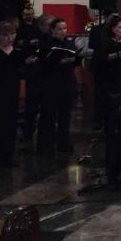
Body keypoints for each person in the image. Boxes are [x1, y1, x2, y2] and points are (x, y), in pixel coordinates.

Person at [37, 18, 80, 154]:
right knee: (49, 115)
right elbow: (44, 63)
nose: (63, 32)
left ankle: (63, 143)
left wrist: (75, 59)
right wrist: (62, 61)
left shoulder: (69, 42)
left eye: (65, 28)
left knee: (65, 115)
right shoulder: (47, 43)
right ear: (52, 30)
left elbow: (75, 60)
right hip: (51, 83)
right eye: (60, 29)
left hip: (67, 81)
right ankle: (45, 145)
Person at [0, 21, 25, 168]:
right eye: (6, 35)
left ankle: (8, 155)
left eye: (12, 34)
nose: (10, 38)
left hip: (12, 91)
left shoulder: (17, 52)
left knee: (10, 124)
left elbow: (21, 71)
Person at [22, 13, 54, 141]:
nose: (52, 28)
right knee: (31, 106)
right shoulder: (32, 37)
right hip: (34, 76)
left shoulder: (50, 37)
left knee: (47, 107)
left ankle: (44, 134)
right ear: (41, 25)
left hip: (48, 76)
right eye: (49, 25)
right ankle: (28, 133)